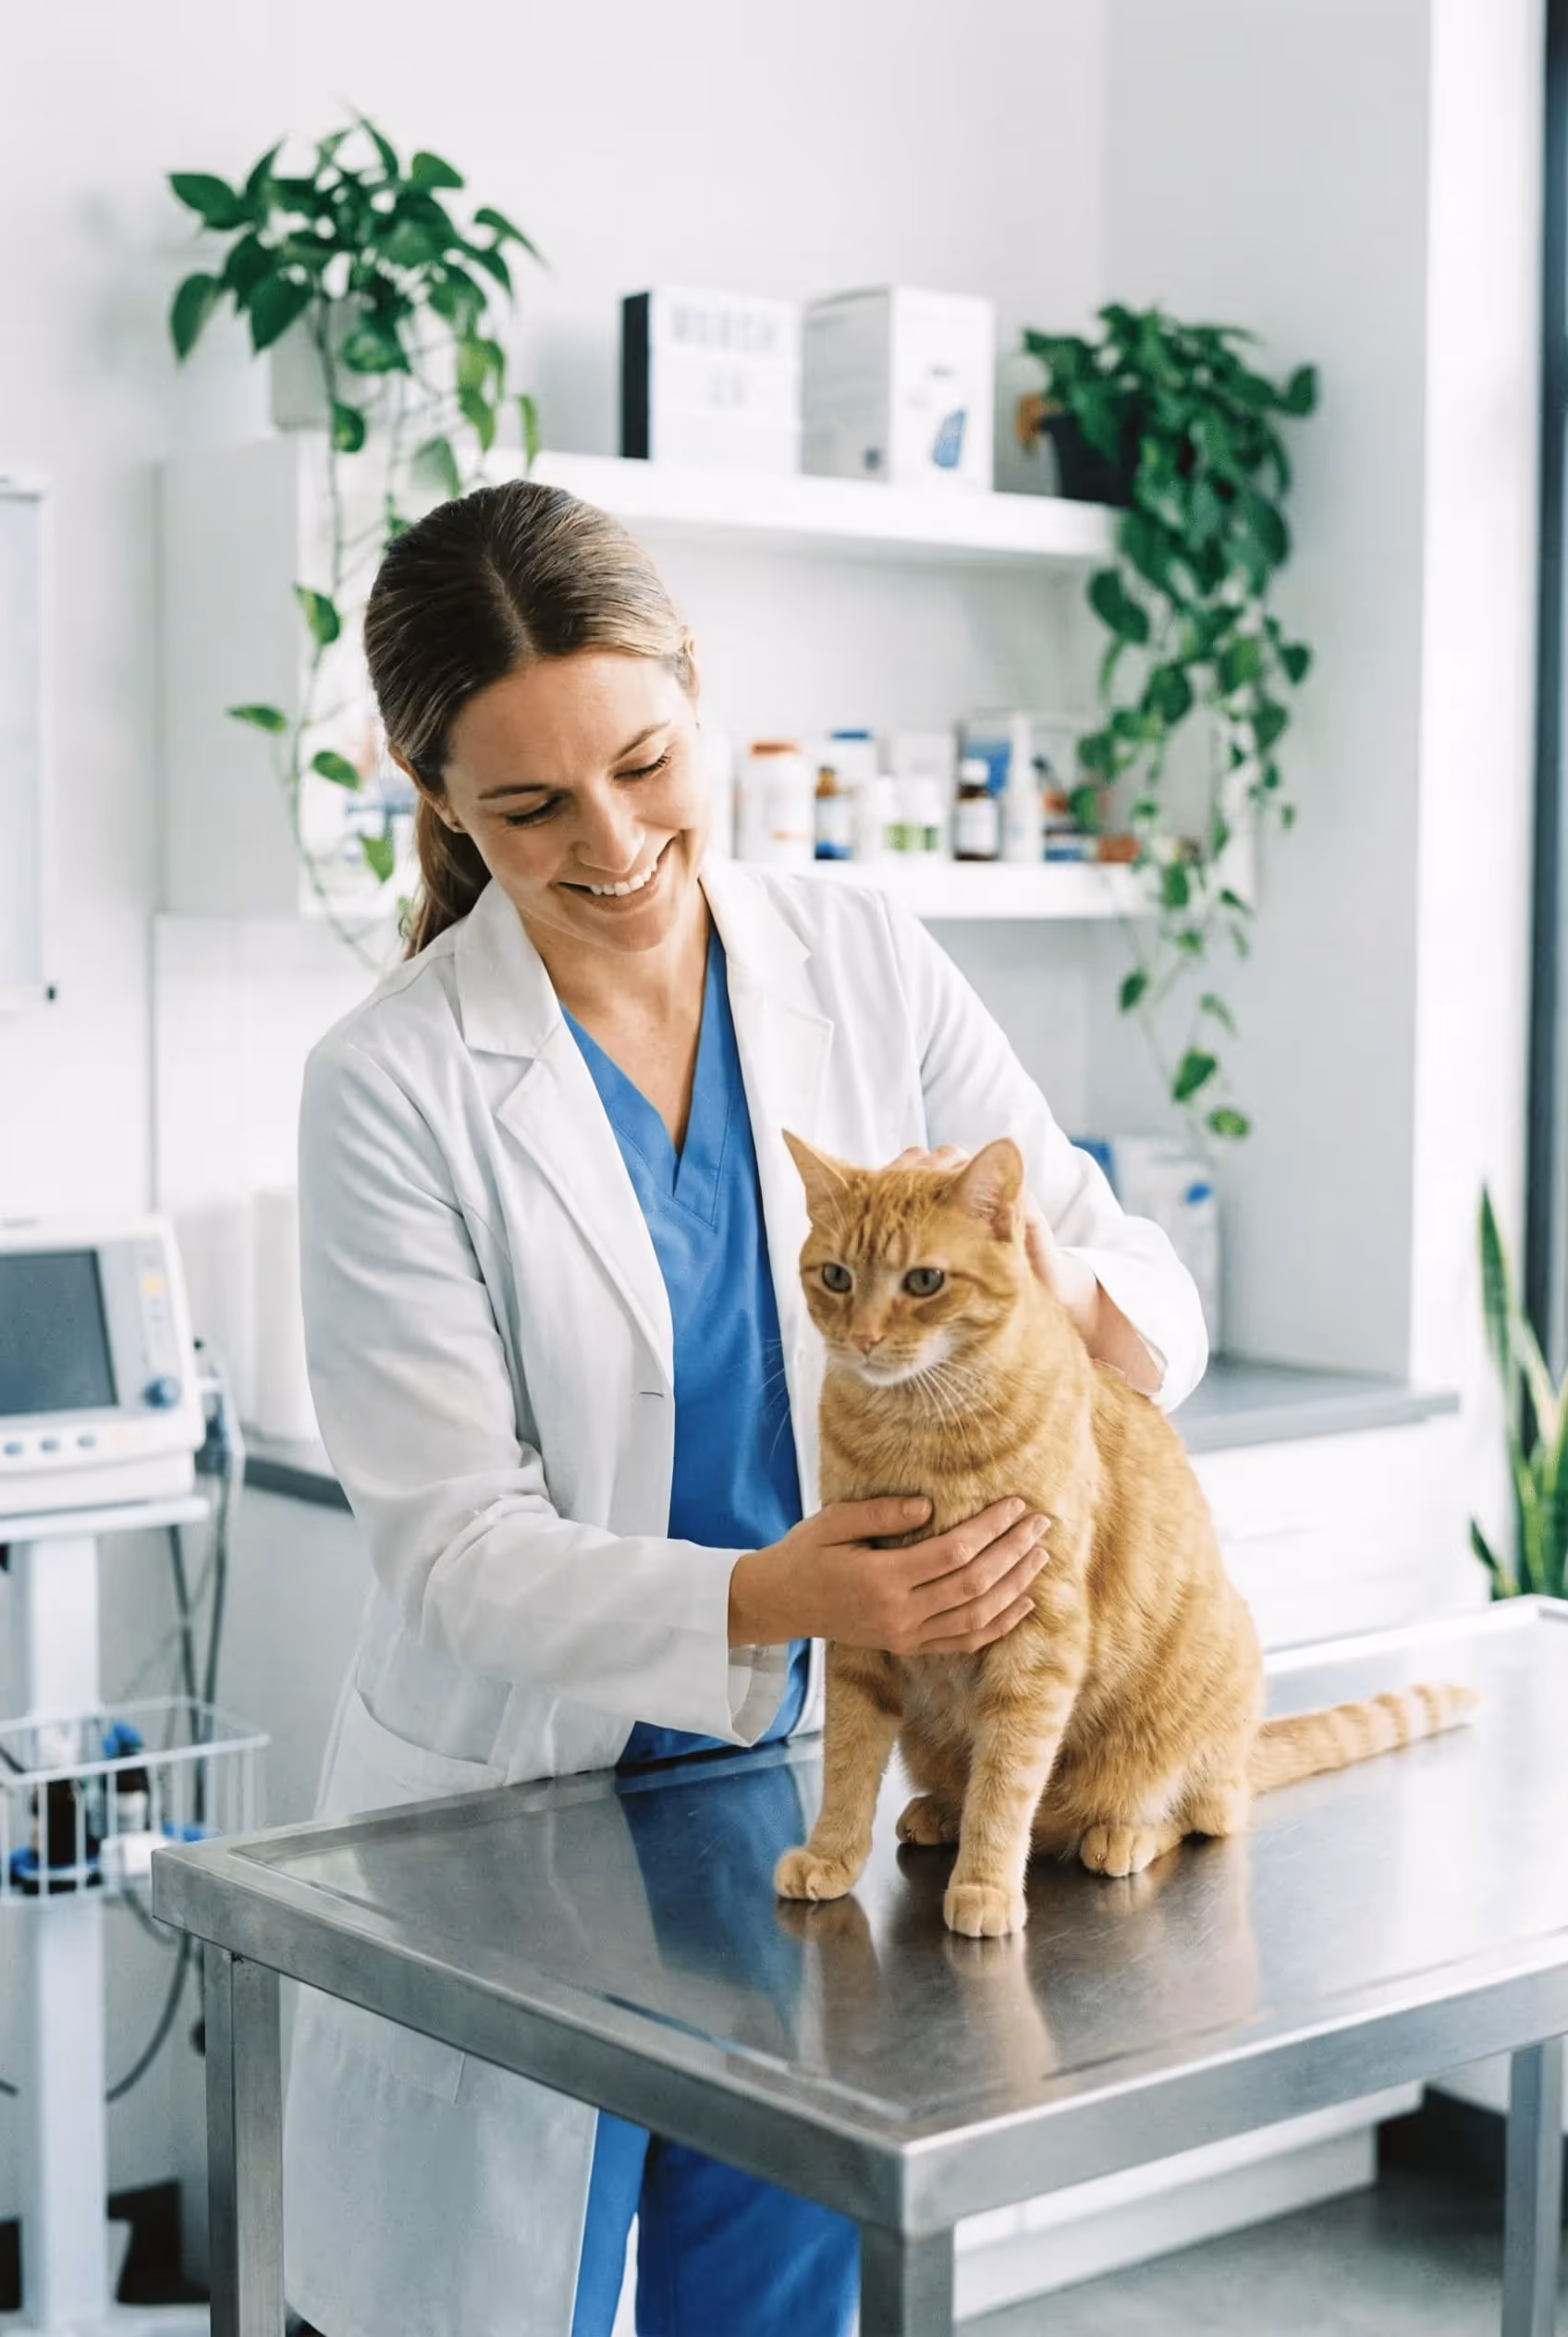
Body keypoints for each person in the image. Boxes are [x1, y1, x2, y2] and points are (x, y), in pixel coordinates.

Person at [283, 479, 1207, 2337]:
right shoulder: (389, 1084)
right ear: (431, 788)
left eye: (644, 762)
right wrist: (790, 1597)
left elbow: (1124, 1274)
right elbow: (453, 1544)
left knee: (773, 2304)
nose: (616, 842)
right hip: (529, 1811)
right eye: (531, 805)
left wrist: (1049, 1320)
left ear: (696, 695)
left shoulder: (855, 954)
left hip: (809, 1810)